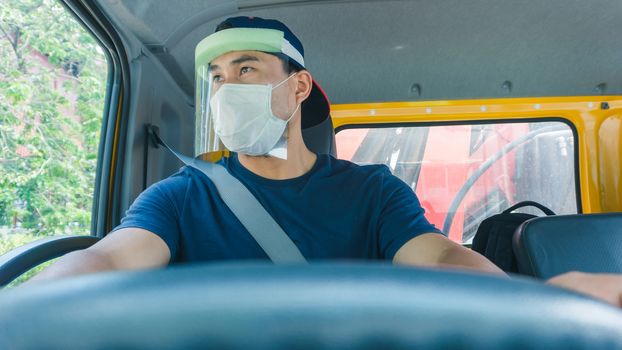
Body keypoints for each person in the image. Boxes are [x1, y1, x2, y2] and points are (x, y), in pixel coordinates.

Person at [28, 17, 622, 308]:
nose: (223, 87)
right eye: (214, 76)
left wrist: (532, 295)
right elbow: (106, 258)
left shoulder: (373, 191)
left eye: (246, 70)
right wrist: (31, 303)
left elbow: (439, 254)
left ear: (298, 87)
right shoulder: (180, 196)